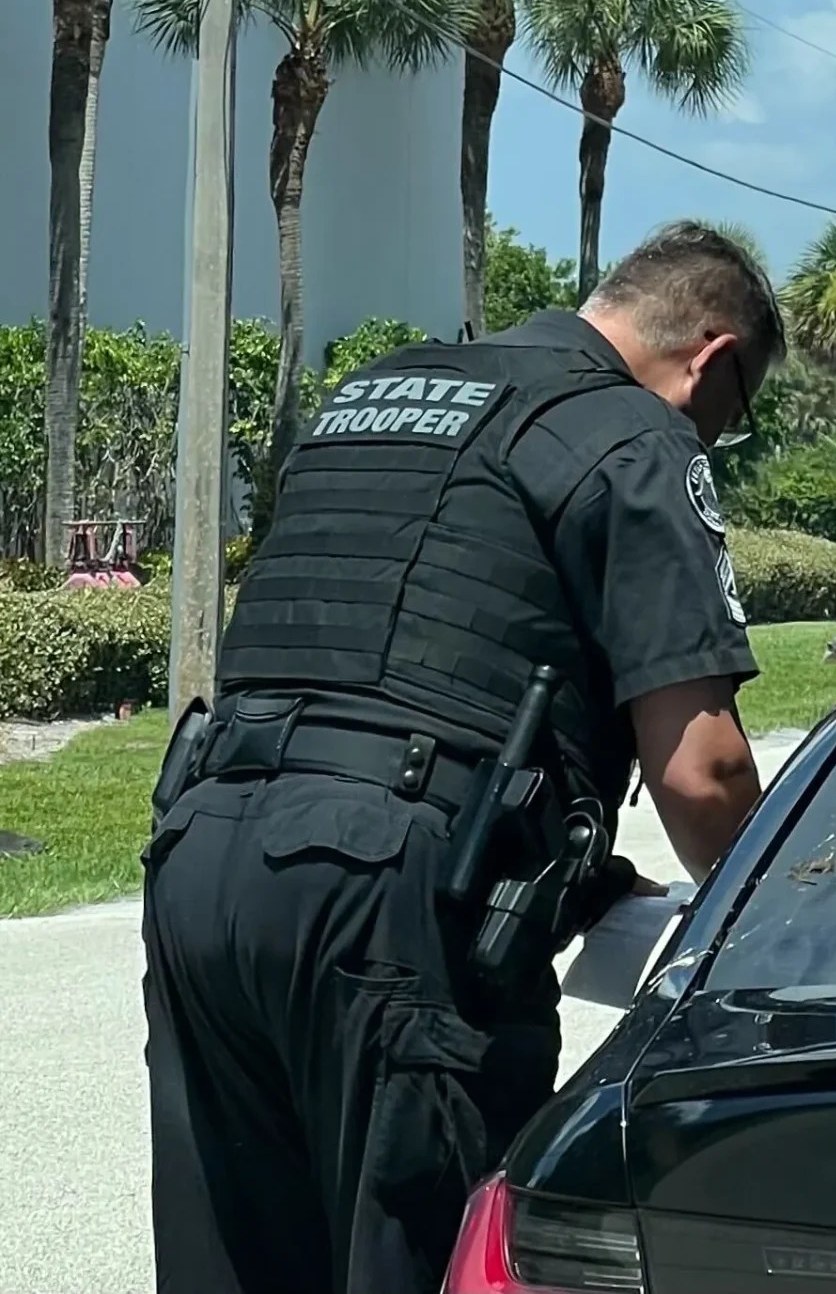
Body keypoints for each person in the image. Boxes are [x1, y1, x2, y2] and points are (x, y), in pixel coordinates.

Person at [142, 221, 785, 1294]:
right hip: (391, 899)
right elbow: (701, 773)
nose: (719, 438)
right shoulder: (633, 436)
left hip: (202, 855)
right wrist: (773, 933)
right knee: (419, 1258)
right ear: (710, 360)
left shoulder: (379, 392)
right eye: (734, 416)